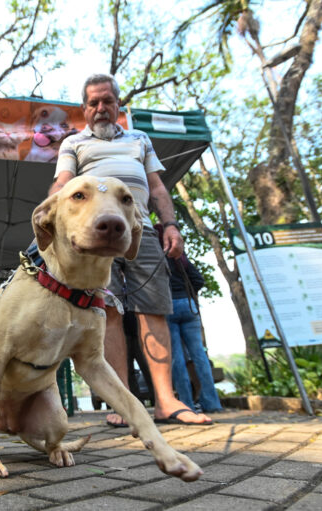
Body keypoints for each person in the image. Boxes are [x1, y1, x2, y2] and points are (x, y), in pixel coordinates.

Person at [49, 73, 212, 426]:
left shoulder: (140, 139)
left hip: (141, 231)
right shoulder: (73, 143)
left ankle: (166, 401)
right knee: (107, 312)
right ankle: (122, 402)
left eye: (107, 101)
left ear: (118, 105)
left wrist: (171, 225)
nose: (101, 108)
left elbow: (157, 187)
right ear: (84, 109)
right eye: (93, 103)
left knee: (154, 310)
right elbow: (62, 183)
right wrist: (48, 216)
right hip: (96, 235)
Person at [166, 253, 223, 414]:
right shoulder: (180, 258)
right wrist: (189, 293)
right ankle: (212, 403)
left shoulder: (156, 258)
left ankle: (186, 404)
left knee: (176, 358)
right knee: (199, 355)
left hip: (168, 305)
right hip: (189, 304)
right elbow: (198, 279)